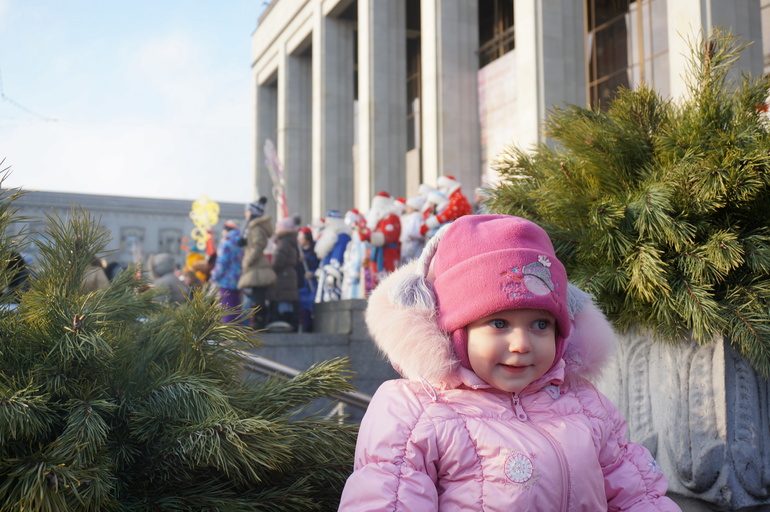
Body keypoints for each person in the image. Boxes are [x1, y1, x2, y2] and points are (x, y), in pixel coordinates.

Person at [339, 214, 680, 511]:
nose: (522, 344)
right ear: (456, 331)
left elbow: (639, 497)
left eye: (540, 324)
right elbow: (390, 500)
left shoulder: (586, 406)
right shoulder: (415, 413)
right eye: (499, 324)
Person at [237, 197, 277, 329]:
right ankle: (258, 322)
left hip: (257, 265)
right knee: (257, 295)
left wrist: (248, 260)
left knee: (259, 296)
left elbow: (258, 245)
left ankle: (260, 323)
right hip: (256, 265)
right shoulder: (252, 227)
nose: (245, 213)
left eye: (247, 211)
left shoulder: (255, 227)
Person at [359, 191, 401, 289]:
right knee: (372, 283)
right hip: (373, 255)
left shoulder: (392, 217)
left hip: (387, 255)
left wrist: (369, 236)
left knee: (386, 283)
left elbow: (388, 236)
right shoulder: (375, 219)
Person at [267, 217, 300, 330]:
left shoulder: (284, 243)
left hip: (283, 277)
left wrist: (271, 269)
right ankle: (289, 323)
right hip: (288, 275)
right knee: (287, 301)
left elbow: (277, 262)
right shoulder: (290, 242)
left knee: (282, 299)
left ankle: (283, 323)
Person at [209, 220, 244, 323]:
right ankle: (237, 330)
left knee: (227, 310)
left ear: (227, 230)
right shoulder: (240, 243)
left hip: (226, 282)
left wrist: (214, 277)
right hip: (238, 280)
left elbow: (221, 264)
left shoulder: (226, 244)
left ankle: (228, 331)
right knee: (236, 310)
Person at [314, 209, 351, 303]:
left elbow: (338, 257)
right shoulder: (331, 236)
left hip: (333, 275)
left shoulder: (342, 236)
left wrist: (332, 271)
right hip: (325, 273)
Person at [297, 227, 319, 332]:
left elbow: (319, 265)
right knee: (303, 307)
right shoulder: (298, 251)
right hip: (303, 285)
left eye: (301, 238)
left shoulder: (316, 250)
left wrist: (313, 273)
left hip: (313, 284)